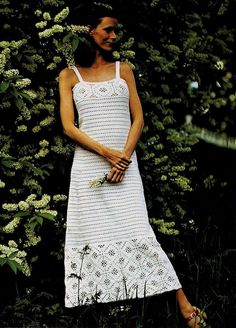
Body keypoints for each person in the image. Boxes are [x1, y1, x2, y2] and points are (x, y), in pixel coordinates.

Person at [59, 4, 206, 327]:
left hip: (125, 167)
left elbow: (138, 118)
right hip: (89, 169)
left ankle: (186, 308)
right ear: (89, 31)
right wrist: (107, 154)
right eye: (107, 29)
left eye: (115, 30)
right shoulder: (69, 75)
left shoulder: (122, 70)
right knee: (91, 237)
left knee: (139, 231)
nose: (114, 35)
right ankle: (109, 313)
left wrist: (123, 157)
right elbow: (69, 126)